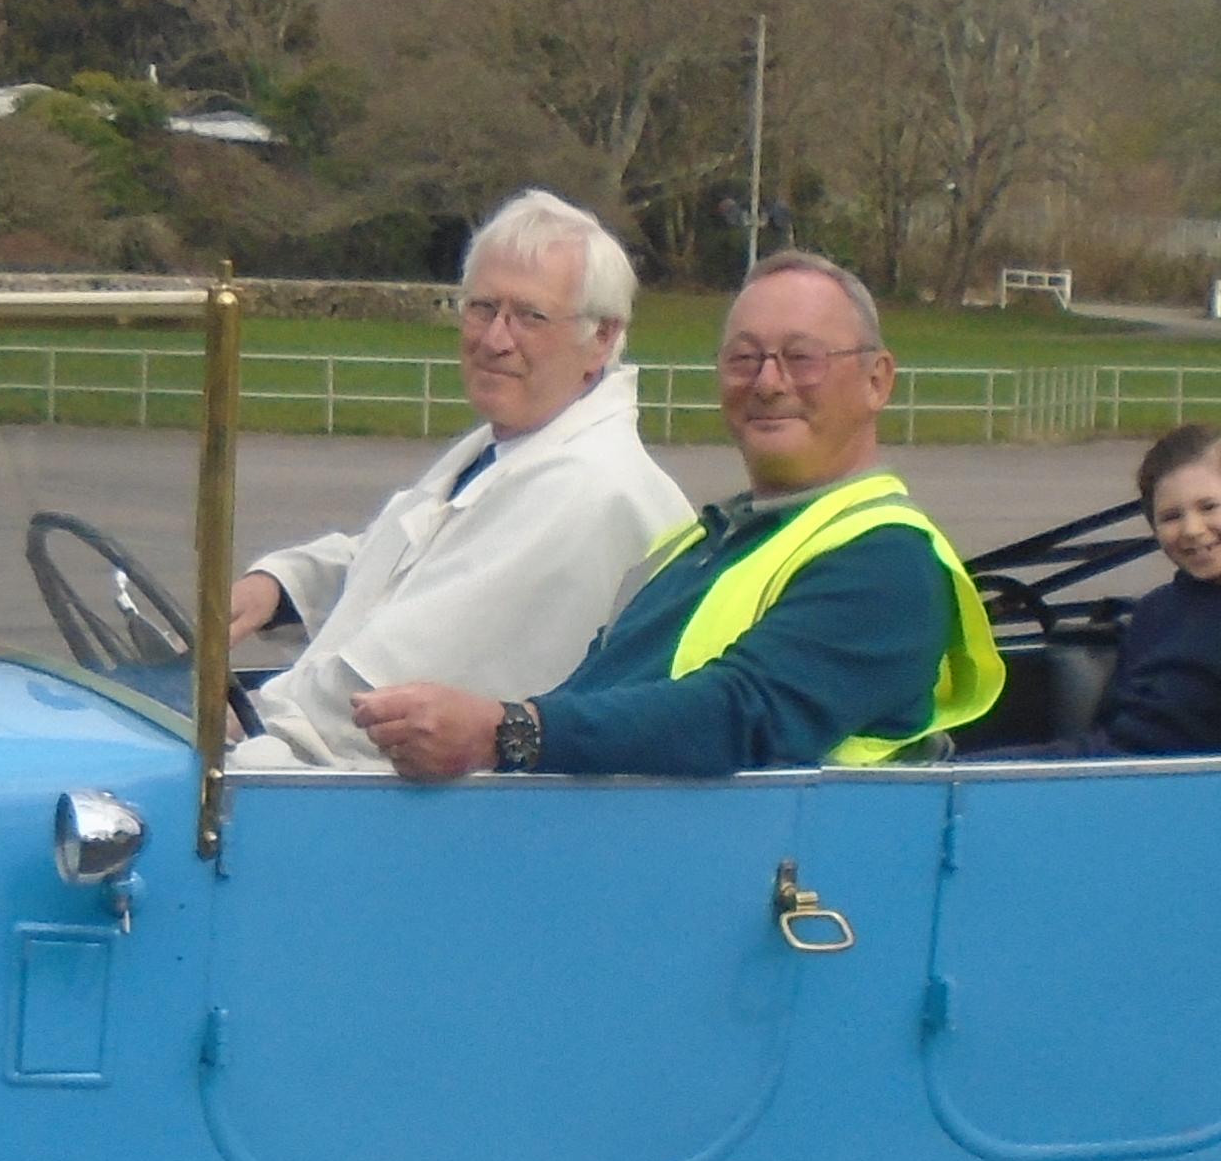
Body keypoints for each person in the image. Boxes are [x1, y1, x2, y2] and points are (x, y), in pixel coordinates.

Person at [350, 251, 1005, 778]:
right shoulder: (699, 542)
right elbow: (599, 699)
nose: (768, 382)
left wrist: (505, 733)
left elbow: (737, 714)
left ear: (877, 381)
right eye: (744, 358)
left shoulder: (887, 562)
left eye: (801, 358)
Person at [221, 192, 696, 773]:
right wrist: (282, 586)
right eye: (482, 308)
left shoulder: (588, 488)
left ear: (601, 338)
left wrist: (240, 718)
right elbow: (403, 559)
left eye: (530, 316)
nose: (496, 340)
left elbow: (382, 687)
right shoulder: (510, 448)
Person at [993, 424, 1221, 759]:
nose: (1192, 529)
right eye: (1171, 517)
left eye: (1209, 507)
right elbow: (1109, 726)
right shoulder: (1155, 609)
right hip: (1111, 765)